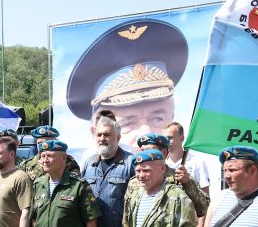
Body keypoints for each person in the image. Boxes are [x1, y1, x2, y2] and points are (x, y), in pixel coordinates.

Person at [67, 19, 189, 149]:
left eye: (157, 119)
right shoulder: (88, 169)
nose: (145, 134)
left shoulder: (193, 167)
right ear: (96, 133)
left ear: (171, 120)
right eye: (127, 124)